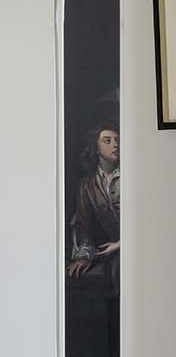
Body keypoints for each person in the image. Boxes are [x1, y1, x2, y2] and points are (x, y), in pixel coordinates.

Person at [69, 123, 119, 289]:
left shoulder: (132, 175)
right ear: (96, 148)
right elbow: (83, 226)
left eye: (117, 140)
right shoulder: (86, 185)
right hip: (104, 252)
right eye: (107, 141)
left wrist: (121, 243)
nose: (115, 144)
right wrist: (84, 256)